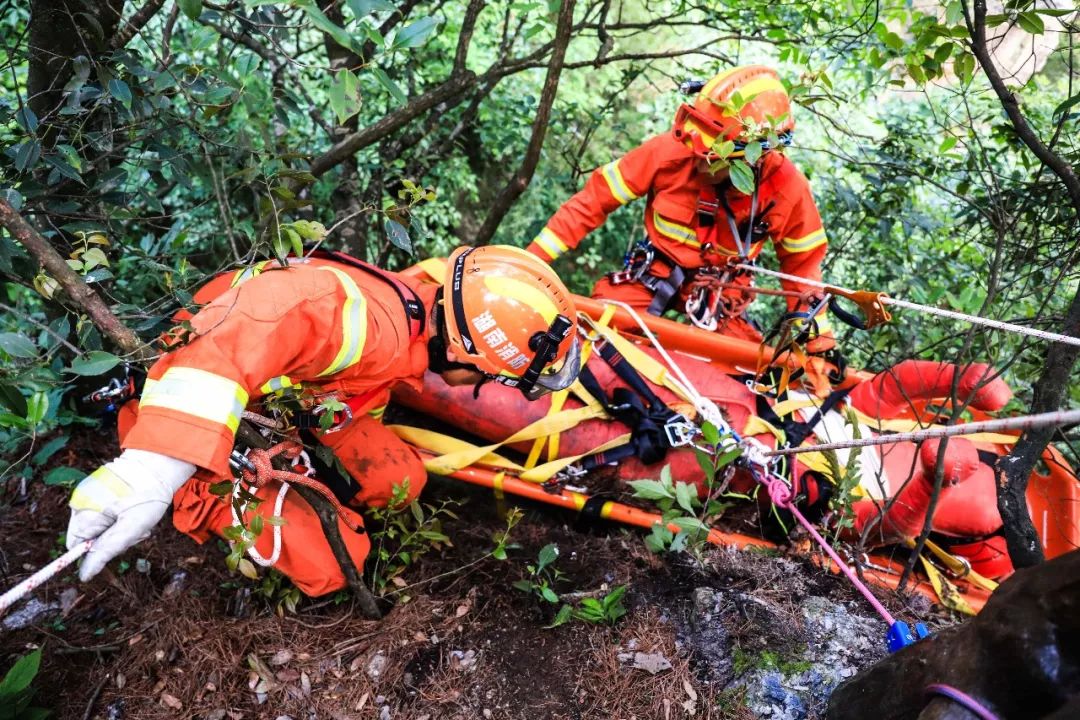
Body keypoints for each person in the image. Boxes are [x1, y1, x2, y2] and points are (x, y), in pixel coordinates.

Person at [65, 245, 580, 594]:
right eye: (492, 379)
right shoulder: (372, 327)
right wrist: (155, 468)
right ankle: (204, 500)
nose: (482, 390)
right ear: (467, 355)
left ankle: (319, 504)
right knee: (335, 568)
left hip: (275, 410)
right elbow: (265, 318)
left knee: (398, 479)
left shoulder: (415, 312)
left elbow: (339, 385)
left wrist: (312, 450)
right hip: (189, 411)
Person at [526, 65, 835, 352]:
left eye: (712, 156)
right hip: (653, 273)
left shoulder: (785, 188)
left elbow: (803, 267)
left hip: (721, 295)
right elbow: (592, 201)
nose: (698, 159)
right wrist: (529, 264)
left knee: (733, 373)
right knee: (599, 342)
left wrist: (819, 343)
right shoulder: (670, 151)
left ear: (754, 156)